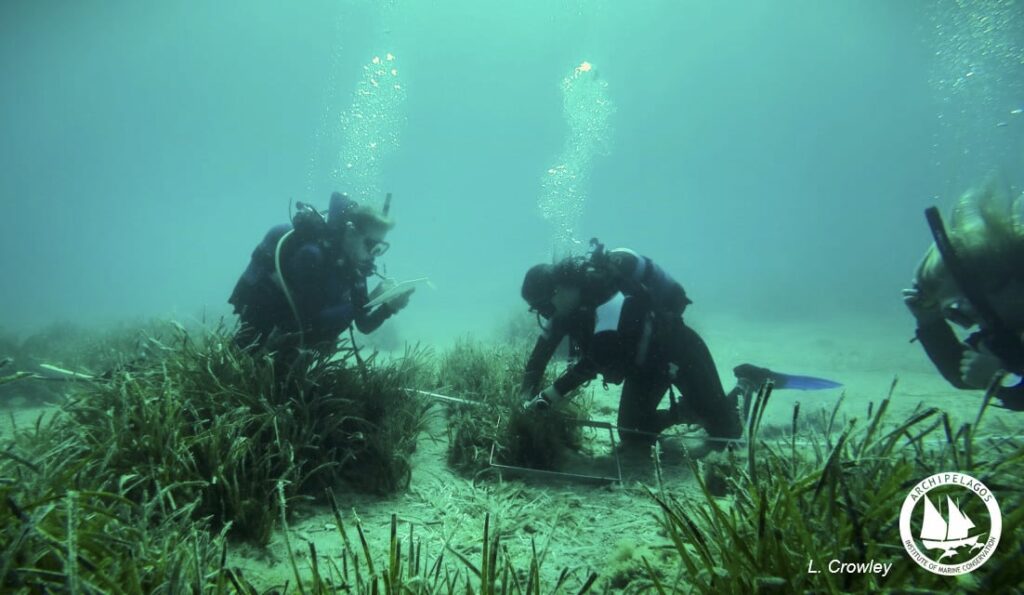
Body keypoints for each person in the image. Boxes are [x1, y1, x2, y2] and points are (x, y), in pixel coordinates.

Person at [517, 242, 746, 446]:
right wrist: (525, 396)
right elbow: (539, 356)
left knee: (726, 434)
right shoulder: (564, 313)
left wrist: (545, 399)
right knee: (633, 433)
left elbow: (598, 357)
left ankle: (746, 384)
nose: (546, 315)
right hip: (646, 371)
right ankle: (686, 412)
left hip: (679, 352)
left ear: (558, 290)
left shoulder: (606, 294)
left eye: (544, 307)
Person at [229, 192, 412, 358]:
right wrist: (371, 299)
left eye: (380, 248)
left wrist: (389, 307)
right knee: (243, 353)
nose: (373, 254)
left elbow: (363, 324)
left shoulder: (356, 267)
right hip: (267, 307)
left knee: (299, 357)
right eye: (370, 245)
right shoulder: (311, 255)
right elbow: (311, 320)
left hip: (297, 324)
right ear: (351, 232)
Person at [904, 175, 1024, 410]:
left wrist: (1002, 388)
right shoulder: (1004, 329)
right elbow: (962, 372)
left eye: (964, 312)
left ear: (1005, 282)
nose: (970, 323)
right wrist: (930, 321)